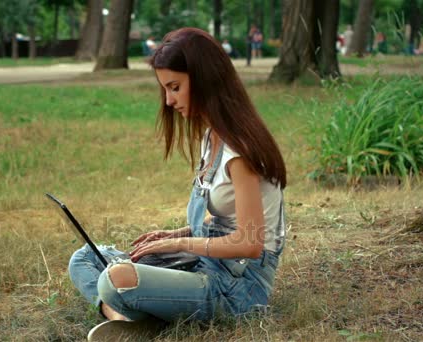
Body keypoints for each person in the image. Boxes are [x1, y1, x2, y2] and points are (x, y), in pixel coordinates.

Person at [68, 27, 287, 341]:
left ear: (203, 79)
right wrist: (175, 233)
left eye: (175, 87)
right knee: (87, 258)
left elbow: (250, 243)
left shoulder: (239, 153)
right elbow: (223, 222)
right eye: (165, 90)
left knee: (115, 279)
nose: (169, 101)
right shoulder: (211, 137)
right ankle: (124, 318)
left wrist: (177, 245)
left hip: (237, 289)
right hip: (204, 265)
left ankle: (140, 311)